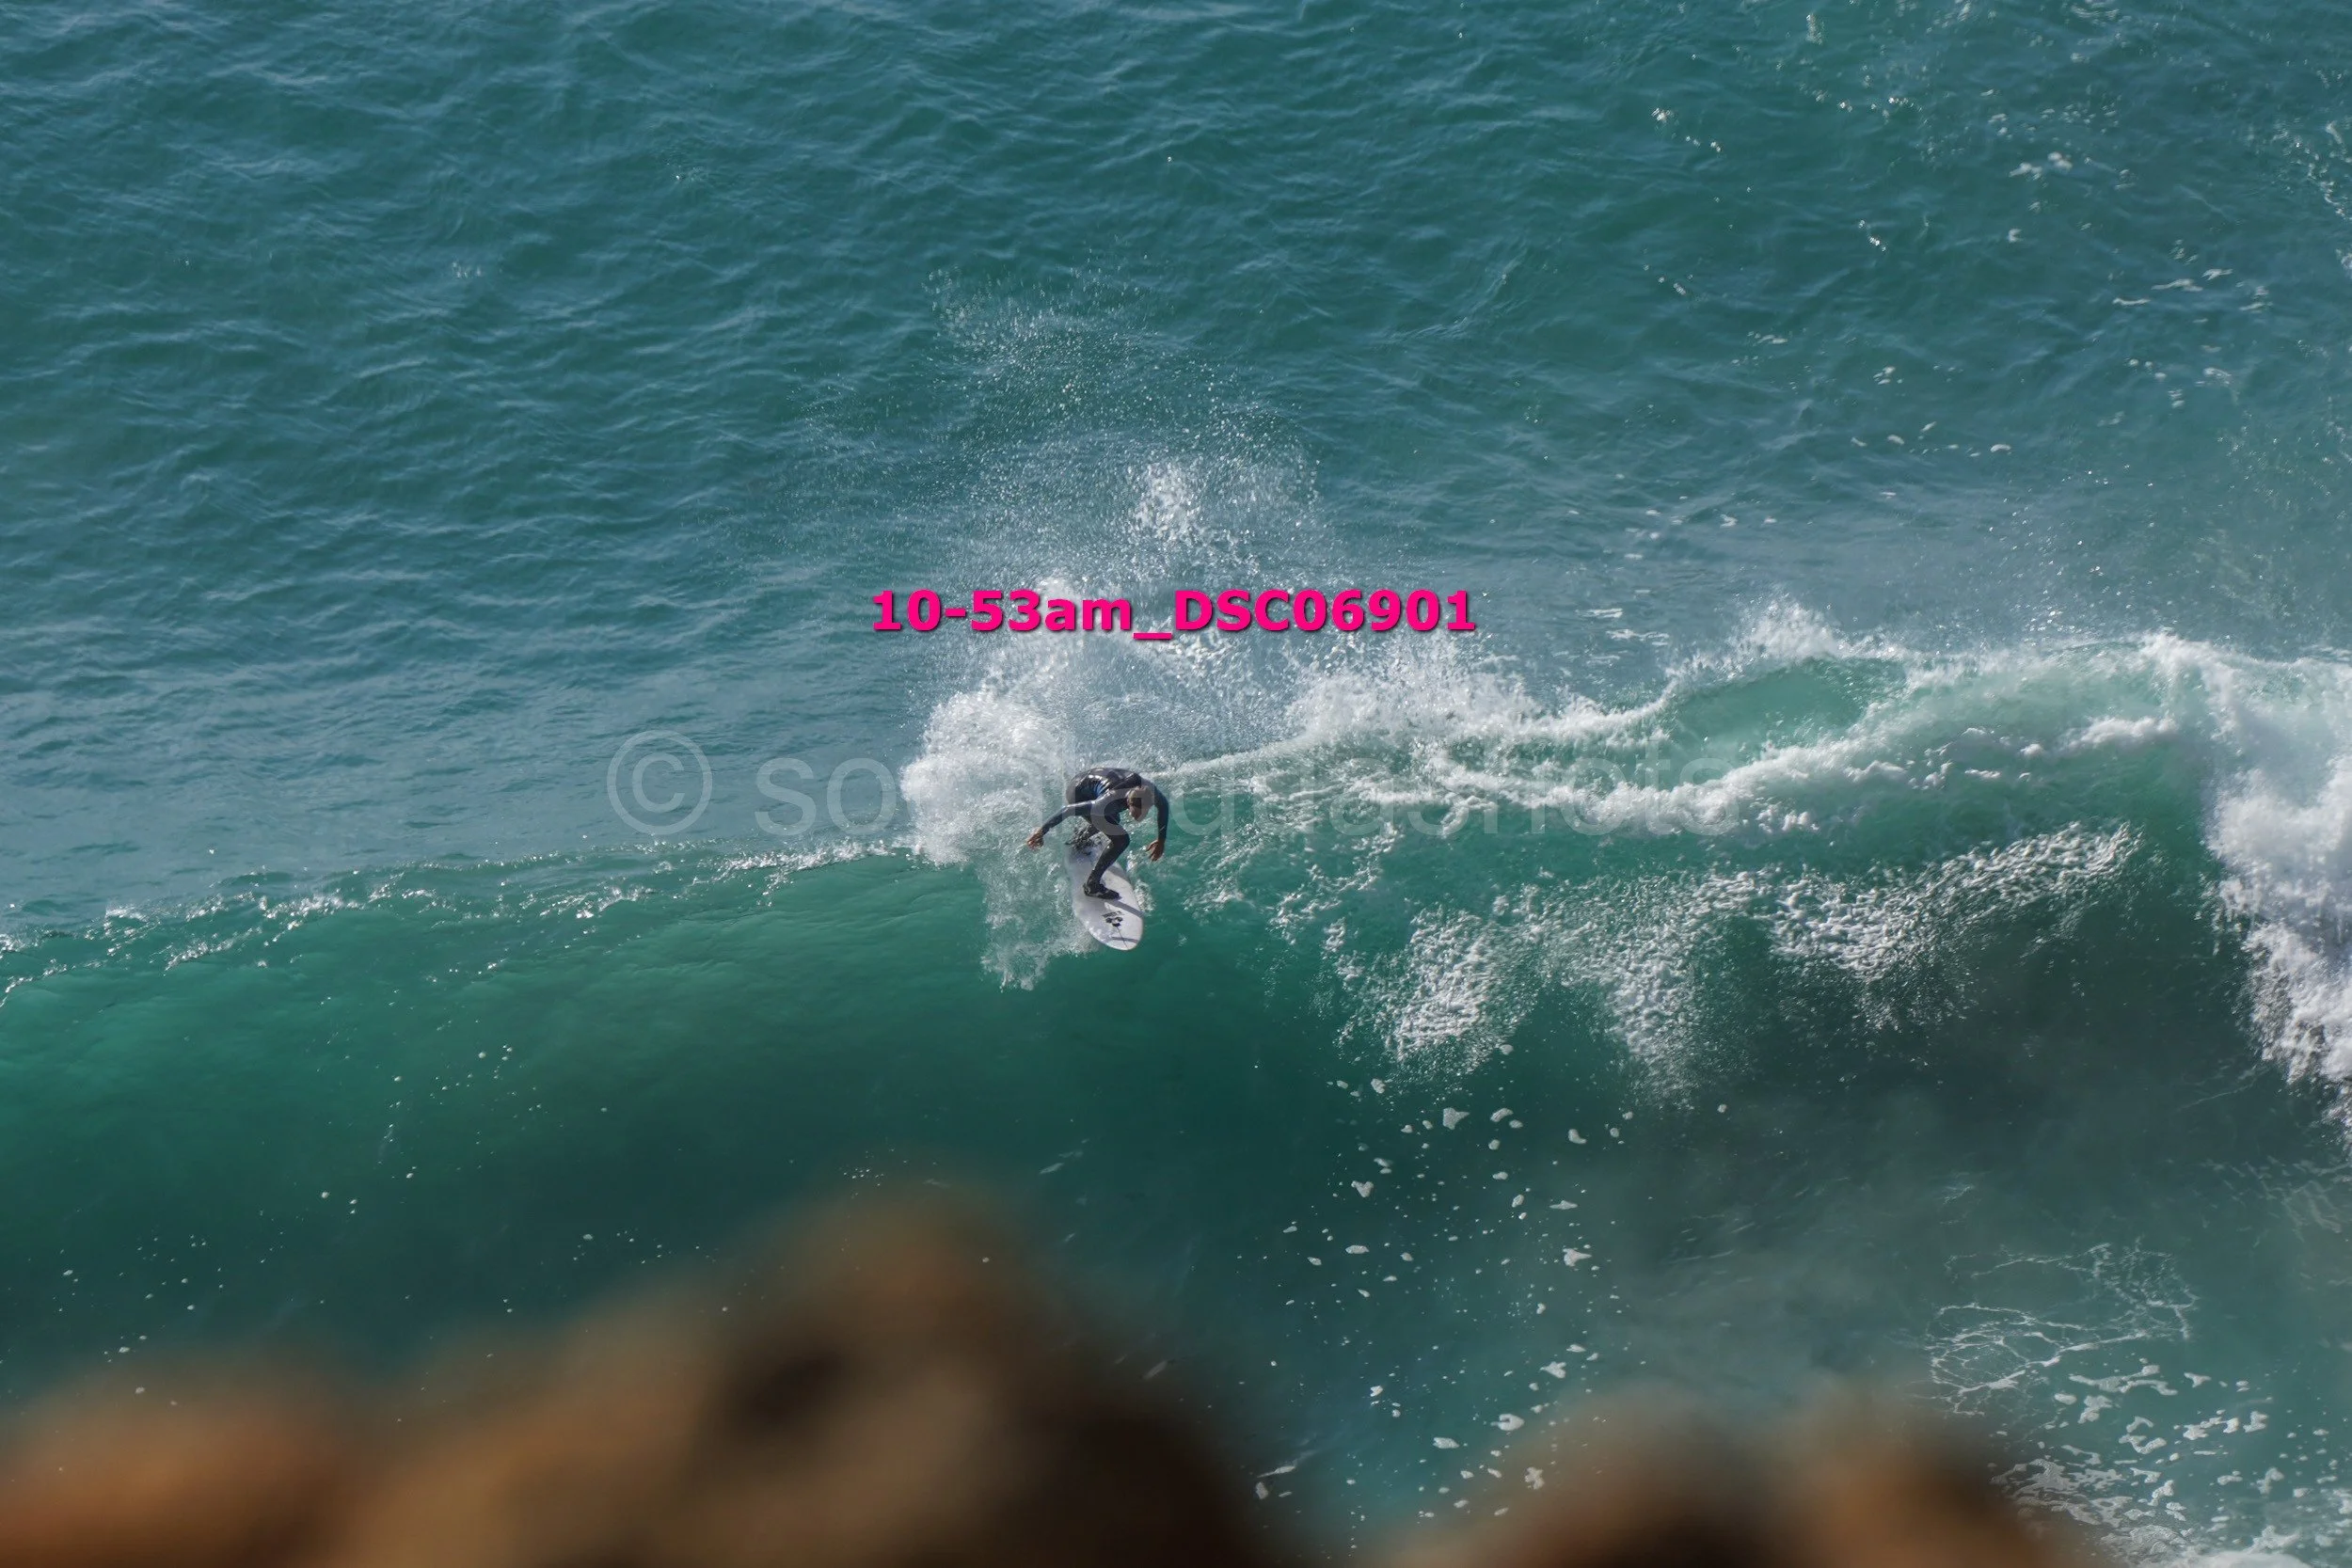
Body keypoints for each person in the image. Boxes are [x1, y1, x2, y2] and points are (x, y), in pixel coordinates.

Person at [1024, 767, 1169, 897]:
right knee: (1121, 839)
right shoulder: (1108, 801)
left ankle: (1080, 841)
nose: (1139, 817)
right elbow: (1067, 810)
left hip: (1093, 781)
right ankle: (1092, 886)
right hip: (1078, 791)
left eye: (1144, 813)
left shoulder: (1150, 791)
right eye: (1136, 813)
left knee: (1113, 819)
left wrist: (1161, 840)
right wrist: (1042, 831)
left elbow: (1164, 807)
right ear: (1128, 803)